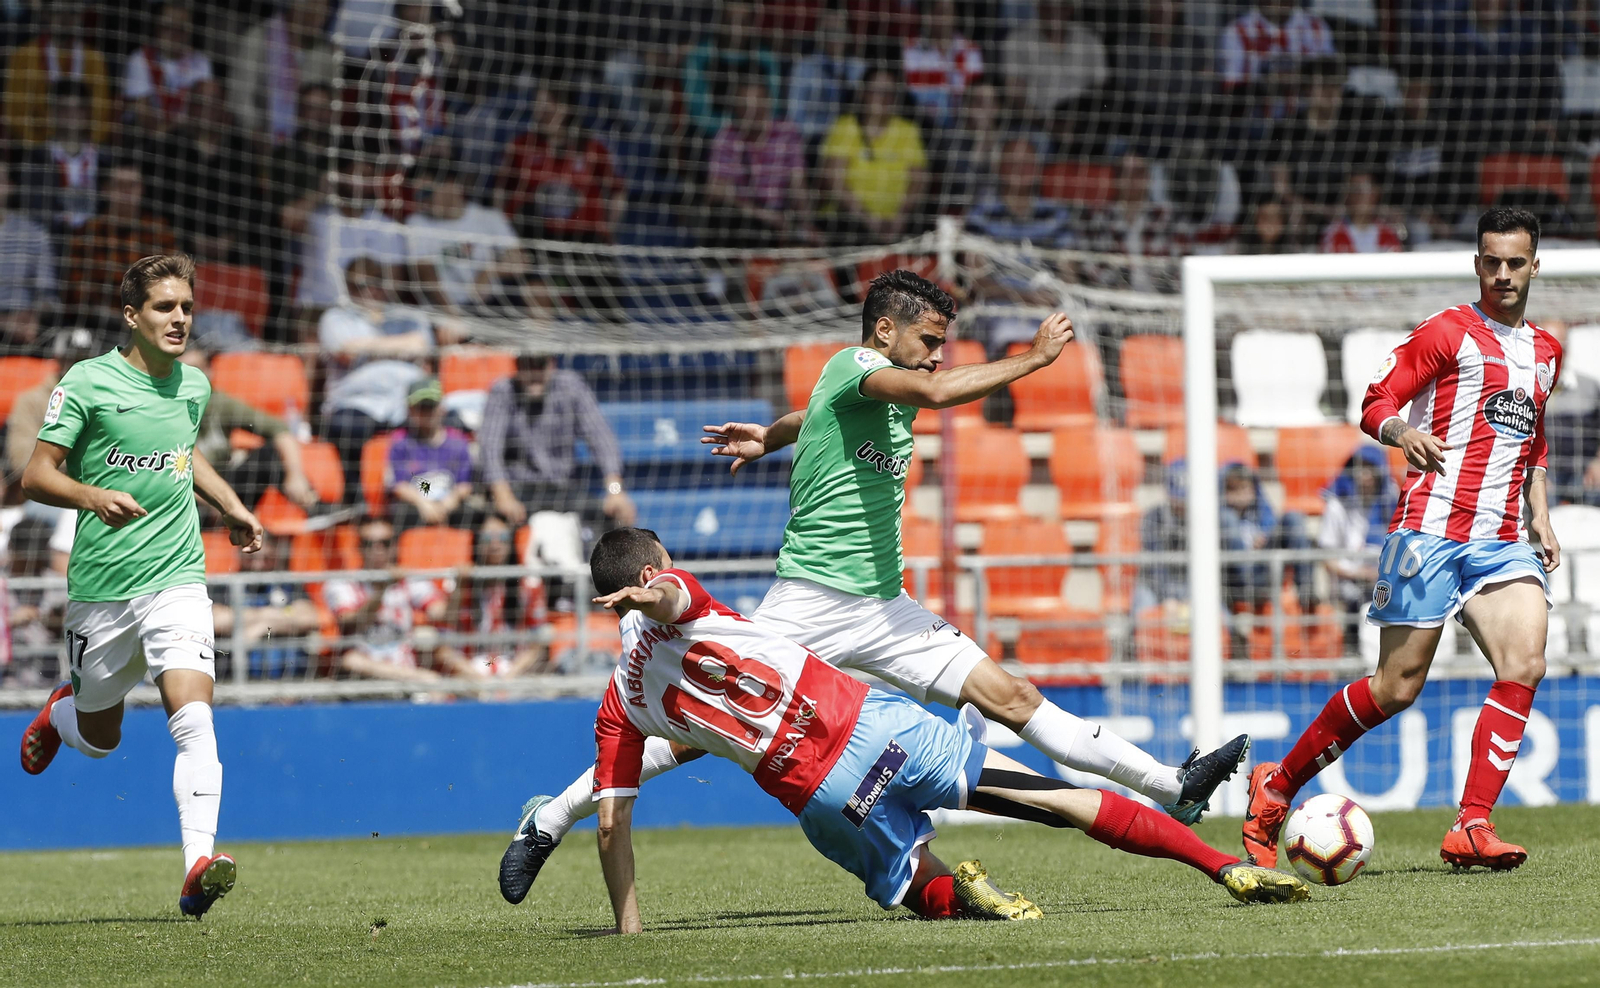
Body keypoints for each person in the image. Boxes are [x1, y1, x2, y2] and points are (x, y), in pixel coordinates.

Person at [512, 272, 1250, 888]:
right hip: (808, 602)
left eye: (941, 346)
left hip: (886, 608)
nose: (935, 357)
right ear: (884, 334)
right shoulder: (854, 365)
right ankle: (549, 819)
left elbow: (819, 415)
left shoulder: (867, 395)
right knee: (701, 733)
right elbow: (919, 394)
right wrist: (1029, 361)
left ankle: (1170, 786)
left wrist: (770, 435)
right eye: (928, 342)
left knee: (1014, 696)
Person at [497, 530, 1308, 927]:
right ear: (647, 574)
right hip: (877, 725)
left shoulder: (619, 702)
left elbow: (615, 824)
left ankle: (966, 895)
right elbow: (670, 591)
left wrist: (630, 932)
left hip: (820, 792)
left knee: (916, 887)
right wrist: (658, 593)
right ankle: (1217, 864)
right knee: (1056, 798)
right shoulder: (694, 604)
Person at [1243, 207, 1562, 872]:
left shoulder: (1546, 353)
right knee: (1395, 687)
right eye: (1492, 262)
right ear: (1478, 264)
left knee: (1525, 663)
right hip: (1431, 530)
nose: (1503, 274)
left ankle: (1471, 826)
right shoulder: (1448, 332)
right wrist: (1400, 433)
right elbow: (1375, 400)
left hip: (1501, 540)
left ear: (1535, 265)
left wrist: (1541, 515)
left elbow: (1531, 440)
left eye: (1516, 263)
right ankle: (1276, 787)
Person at [17, 253, 265, 918]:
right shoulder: (88, 382)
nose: (179, 318)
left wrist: (230, 505)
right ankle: (61, 713)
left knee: (195, 720)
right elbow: (35, 476)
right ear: (132, 316)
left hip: (177, 577)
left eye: (186, 306)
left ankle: (197, 866)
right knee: (101, 739)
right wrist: (92, 495)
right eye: (164, 307)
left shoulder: (193, 386)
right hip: (102, 589)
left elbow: (185, 452)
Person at [480, 353, 635, 541]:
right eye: (528, 365)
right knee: (494, 533)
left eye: (540, 364)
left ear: (552, 364)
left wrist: (615, 490)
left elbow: (601, 438)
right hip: (519, 491)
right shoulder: (503, 391)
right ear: (518, 367)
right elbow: (489, 449)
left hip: (564, 490)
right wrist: (503, 496)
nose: (534, 373)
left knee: (621, 522)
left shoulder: (570, 386)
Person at [323, 517, 481, 683]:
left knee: (442, 649)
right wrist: (382, 590)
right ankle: (426, 681)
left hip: (404, 674)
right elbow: (350, 621)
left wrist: (461, 586)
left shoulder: (409, 581)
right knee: (352, 660)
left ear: (394, 547)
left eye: (384, 543)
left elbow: (444, 616)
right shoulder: (342, 584)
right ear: (360, 548)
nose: (378, 550)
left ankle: (492, 689)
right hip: (362, 677)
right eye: (370, 544)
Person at [180, 345, 320, 516]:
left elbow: (279, 428)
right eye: (186, 371)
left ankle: (312, 506)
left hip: (222, 487)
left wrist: (295, 475)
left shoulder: (218, 403)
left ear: (210, 371)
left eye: (199, 369)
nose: (195, 377)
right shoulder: (164, 410)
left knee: (267, 454)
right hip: (187, 498)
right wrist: (218, 503)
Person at [496, 81, 627, 244]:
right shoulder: (520, 145)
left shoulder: (592, 147)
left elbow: (617, 191)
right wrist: (501, 229)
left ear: (566, 108)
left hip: (582, 237)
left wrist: (608, 229)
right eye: (539, 106)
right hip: (531, 235)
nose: (544, 113)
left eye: (550, 107)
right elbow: (501, 189)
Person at [406, 157, 537, 315]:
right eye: (417, 196)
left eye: (426, 193)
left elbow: (521, 260)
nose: (422, 201)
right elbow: (424, 272)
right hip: (448, 308)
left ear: (451, 185)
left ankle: (544, 331)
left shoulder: (490, 218)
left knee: (535, 283)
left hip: (492, 304)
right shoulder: (417, 222)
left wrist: (490, 270)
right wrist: (451, 314)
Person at [818, 67, 928, 246]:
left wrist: (901, 216)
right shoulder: (845, 127)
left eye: (889, 92)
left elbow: (919, 179)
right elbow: (833, 180)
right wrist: (868, 219)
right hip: (847, 222)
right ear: (862, 94)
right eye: (876, 91)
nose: (883, 98)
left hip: (898, 223)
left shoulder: (907, 130)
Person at [63, 163, 179, 329]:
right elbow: (76, 292)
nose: (126, 192)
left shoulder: (159, 232)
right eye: (119, 185)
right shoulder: (87, 233)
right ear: (106, 189)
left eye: (132, 185)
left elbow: (172, 284)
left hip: (150, 322)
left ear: (141, 190)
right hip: (98, 324)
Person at [706, 76, 811, 248]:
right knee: (725, 218)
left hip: (782, 215)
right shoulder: (726, 137)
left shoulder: (786, 133)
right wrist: (762, 215)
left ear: (768, 103)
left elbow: (798, 184)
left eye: (757, 106)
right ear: (736, 109)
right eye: (745, 107)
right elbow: (715, 190)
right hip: (743, 216)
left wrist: (804, 223)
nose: (752, 114)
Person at [210, 530, 321, 680]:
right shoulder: (225, 586)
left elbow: (309, 618)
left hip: (291, 682)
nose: (259, 564)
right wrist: (279, 616)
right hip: (237, 679)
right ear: (240, 554)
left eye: (266, 558)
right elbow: (217, 620)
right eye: (252, 557)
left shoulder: (288, 584)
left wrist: (262, 627)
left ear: (275, 553)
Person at [1318, 446, 1398, 652]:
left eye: (1371, 469)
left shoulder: (1391, 500)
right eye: (1361, 468)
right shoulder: (1337, 504)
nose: (1366, 475)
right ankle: (1354, 646)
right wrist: (1359, 573)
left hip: (1386, 574)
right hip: (1350, 578)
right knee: (1358, 595)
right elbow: (1328, 559)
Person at [2, 0, 114, 147]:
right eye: (58, 12)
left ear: (81, 16)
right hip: (35, 151)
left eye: (73, 13)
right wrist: (43, 146)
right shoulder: (23, 56)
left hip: (86, 152)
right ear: (44, 14)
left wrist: (86, 148)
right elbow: (14, 115)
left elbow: (103, 115)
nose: (65, 19)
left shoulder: (94, 58)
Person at [228, 0, 339, 146]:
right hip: (254, 142)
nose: (321, 15)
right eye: (314, 6)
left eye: (325, 8)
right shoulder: (258, 37)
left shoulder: (325, 53)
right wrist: (254, 131)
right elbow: (239, 96)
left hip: (306, 146)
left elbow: (330, 106)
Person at [386, 378, 478, 531]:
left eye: (431, 406)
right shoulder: (400, 443)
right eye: (421, 407)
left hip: (451, 505)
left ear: (442, 408)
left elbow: (465, 485)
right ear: (410, 410)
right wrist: (423, 504)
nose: (426, 413)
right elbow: (398, 485)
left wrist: (447, 503)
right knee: (401, 514)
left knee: (471, 514)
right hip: (414, 508)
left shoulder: (459, 442)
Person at [1000, 0, 1108, 127]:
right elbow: (1014, 95)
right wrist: (1049, 125)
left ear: (1071, 8)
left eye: (1062, 5)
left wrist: (1082, 124)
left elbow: (1103, 88)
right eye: (1047, 5)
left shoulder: (1090, 40)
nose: (1054, 11)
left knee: (1116, 143)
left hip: (1086, 124)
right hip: (1036, 124)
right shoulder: (1017, 40)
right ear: (1038, 7)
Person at [122, 1, 213, 136]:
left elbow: (205, 114)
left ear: (190, 31)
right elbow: (144, 120)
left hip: (189, 139)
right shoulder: (140, 59)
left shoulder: (201, 62)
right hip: (146, 141)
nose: (174, 35)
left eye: (181, 29)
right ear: (156, 28)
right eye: (168, 27)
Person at [0, 160, 58, 349]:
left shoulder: (34, 234)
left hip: (24, 329)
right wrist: (4, 323)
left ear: (10, 186)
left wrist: (33, 316)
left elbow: (48, 295)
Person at [900, 0, 983, 129]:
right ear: (930, 15)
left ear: (956, 15)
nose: (945, 18)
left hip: (964, 125)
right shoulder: (911, 49)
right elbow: (910, 93)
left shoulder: (971, 49)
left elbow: (976, 93)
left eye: (949, 12)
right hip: (921, 123)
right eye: (940, 12)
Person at [1319, 172, 1404, 254]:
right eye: (1355, 189)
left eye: (1366, 189)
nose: (1360, 195)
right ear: (1347, 195)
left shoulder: (1388, 233)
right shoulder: (1333, 234)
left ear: (1376, 194)